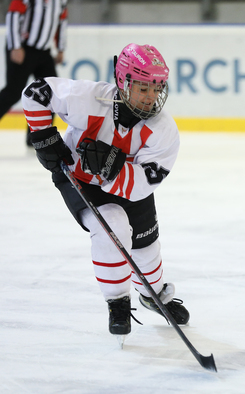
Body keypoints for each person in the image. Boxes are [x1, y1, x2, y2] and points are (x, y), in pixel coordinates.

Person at [23, 43, 189, 337]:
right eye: (143, 88)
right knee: (112, 226)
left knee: (146, 252)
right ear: (123, 82)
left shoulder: (164, 130)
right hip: (79, 179)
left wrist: (113, 167)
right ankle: (118, 303)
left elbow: (143, 185)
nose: (151, 98)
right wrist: (44, 135)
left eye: (157, 88)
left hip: (129, 190)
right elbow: (35, 93)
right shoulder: (88, 99)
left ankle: (154, 294)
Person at [0, 0, 68, 146]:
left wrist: (61, 48)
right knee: (13, 92)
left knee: (51, 94)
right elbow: (13, 14)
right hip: (23, 48)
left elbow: (61, 20)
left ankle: (36, 137)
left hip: (43, 52)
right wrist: (15, 45)